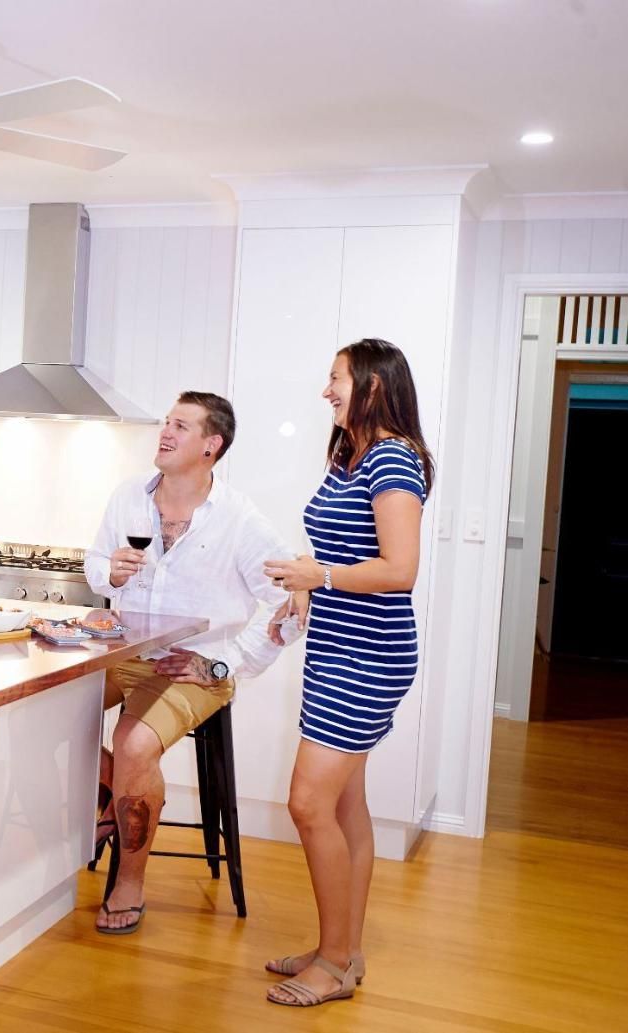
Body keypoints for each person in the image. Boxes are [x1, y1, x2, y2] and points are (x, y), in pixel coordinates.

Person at [260, 339, 433, 1008]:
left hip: (367, 656)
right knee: (341, 803)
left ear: (369, 383)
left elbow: (399, 569)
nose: (324, 391)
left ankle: (332, 961)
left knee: (307, 803)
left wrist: (319, 576)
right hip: (336, 646)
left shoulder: (392, 459)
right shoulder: (350, 456)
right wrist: (307, 585)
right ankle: (343, 948)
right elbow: (342, 547)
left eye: (333, 378)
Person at [85, 391, 291, 935]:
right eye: (165, 422)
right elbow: (94, 565)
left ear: (210, 444)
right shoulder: (129, 495)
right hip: (125, 650)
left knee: (133, 744)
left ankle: (130, 880)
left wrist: (223, 665)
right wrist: (113, 574)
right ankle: (112, 792)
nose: (165, 431)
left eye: (180, 425)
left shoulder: (240, 520)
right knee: (37, 707)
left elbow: (289, 604)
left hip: (192, 666)